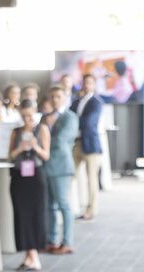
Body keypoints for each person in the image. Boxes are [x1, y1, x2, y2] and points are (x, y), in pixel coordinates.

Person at [8, 99, 51, 271]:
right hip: (19, 176)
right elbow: (10, 156)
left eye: (30, 115)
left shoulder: (42, 129)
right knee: (21, 215)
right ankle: (28, 255)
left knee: (36, 214)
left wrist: (35, 146)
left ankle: (34, 256)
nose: (27, 119)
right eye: (24, 115)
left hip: (36, 176)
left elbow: (46, 155)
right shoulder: (15, 132)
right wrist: (21, 148)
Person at [42, 86, 77, 255]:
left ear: (64, 97)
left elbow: (61, 141)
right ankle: (51, 240)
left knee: (64, 204)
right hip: (46, 166)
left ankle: (68, 241)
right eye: (52, 96)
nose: (55, 99)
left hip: (61, 167)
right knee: (50, 206)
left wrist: (47, 131)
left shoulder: (70, 117)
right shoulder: (46, 117)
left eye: (58, 96)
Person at [72, 74, 103, 221]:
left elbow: (89, 122)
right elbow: (68, 116)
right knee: (70, 175)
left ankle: (91, 209)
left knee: (91, 179)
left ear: (94, 85)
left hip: (90, 144)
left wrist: (73, 122)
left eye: (90, 83)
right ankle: (70, 206)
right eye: (85, 83)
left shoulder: (96, 102)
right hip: (76, 143)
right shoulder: (76, 101)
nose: (87, 85)